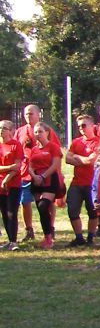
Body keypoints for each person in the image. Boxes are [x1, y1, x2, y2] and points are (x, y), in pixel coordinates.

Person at [16, 105, 61, 242]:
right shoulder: (20, 131)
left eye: (31, 113)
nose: (28, 116)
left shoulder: (48, 131)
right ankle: (29, 229)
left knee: (47, 203)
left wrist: (55, 174)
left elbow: (56, 157)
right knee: (25, 201)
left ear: (38, 114)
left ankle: (50, 228)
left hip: (47, 174)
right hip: (27, 172)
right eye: (26, 114)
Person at [65, 112, 100, 246]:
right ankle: (79, 237)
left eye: (84, 125)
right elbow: (67, 159)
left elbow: (91, 161)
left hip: (92, 183)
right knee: (72, 209)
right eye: (79, 126)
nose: (81, 128)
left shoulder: (98, 142)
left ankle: (90, 237)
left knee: (93, 211)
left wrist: (76, 157)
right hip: (77, 182)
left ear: (92, 126)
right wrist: (81, 159)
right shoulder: (76, 142)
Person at [28, 122, 64, 249]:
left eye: (40, 131)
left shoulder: (53, 147)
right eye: (36, 132)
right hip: (36, 180)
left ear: (47, 133)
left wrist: (43, 176)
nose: (38, 134)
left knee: (43, 206)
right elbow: (30, 166)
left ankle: (50, 235)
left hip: (49, 179)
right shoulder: (34, 149)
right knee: (41, 210)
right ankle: (47, 236)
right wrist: (34, 176)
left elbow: (55, 165)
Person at [0, 121, 21, 249]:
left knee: (11, 212)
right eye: (0, 128)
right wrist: (9, 167)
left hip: (13, 183)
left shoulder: (16, 145)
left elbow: (17, 166)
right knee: (4, 212)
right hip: (0, 184)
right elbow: (12, 166)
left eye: (4, 128)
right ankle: (9, 240)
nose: (1, 130)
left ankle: (13, 241)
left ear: (11, 131)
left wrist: (6, 179)